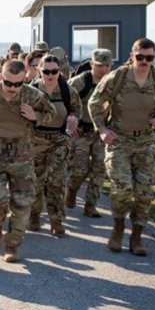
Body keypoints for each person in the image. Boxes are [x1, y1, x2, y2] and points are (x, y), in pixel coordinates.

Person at [88, 38, 155, 255]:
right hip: (119, 141)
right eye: (140, 57)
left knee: (144, 193)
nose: (144, 61)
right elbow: (94, 102)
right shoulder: (118, 77)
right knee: (122, 188)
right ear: (132, 56)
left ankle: (137, 237)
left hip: (145, 143)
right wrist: (102, 129)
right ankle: (118, 228)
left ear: (153, 58)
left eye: (149, 58)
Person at [0, 59, 55, 262]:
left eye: (18, 84)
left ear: (24, 80)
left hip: (21, 157)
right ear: (1, 77)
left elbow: (51, 113)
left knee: (23, 204)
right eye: (8, 83)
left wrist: (36, 117)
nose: (13, 88)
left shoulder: (32, 95)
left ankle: (13, 245)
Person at [28, 55, 81, 236]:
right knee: (36, 180)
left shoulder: (68, 91)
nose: (50, 75)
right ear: (39, 71)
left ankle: (56, 220)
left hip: (59, 139)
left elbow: (76, 110)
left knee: (56, 180)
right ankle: (34, 215)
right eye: (46, 71)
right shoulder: (31, 91)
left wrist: (73, 120)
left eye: (54, 71)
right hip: (36, 140)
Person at [66, 49, 113, 218]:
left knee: (100, 169)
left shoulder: (112, 82)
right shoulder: (80, 82)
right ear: (92, 64)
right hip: (81, 133)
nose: (104, 69)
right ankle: (72, 189)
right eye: (100, 65)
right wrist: (70, 127)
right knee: (80, 169)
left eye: (107, 65)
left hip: (101, 133)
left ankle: (90, 205)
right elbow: (63, 101)